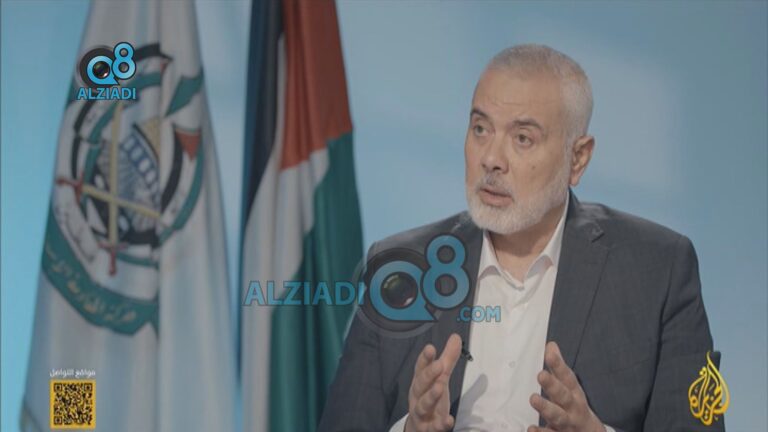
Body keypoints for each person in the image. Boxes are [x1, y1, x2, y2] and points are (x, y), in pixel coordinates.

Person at [318, 44, 722, 432]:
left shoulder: (659, 270)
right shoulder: (400, 267)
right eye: (480, 129)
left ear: (577, 158)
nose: (491, 159)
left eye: (522, 138)